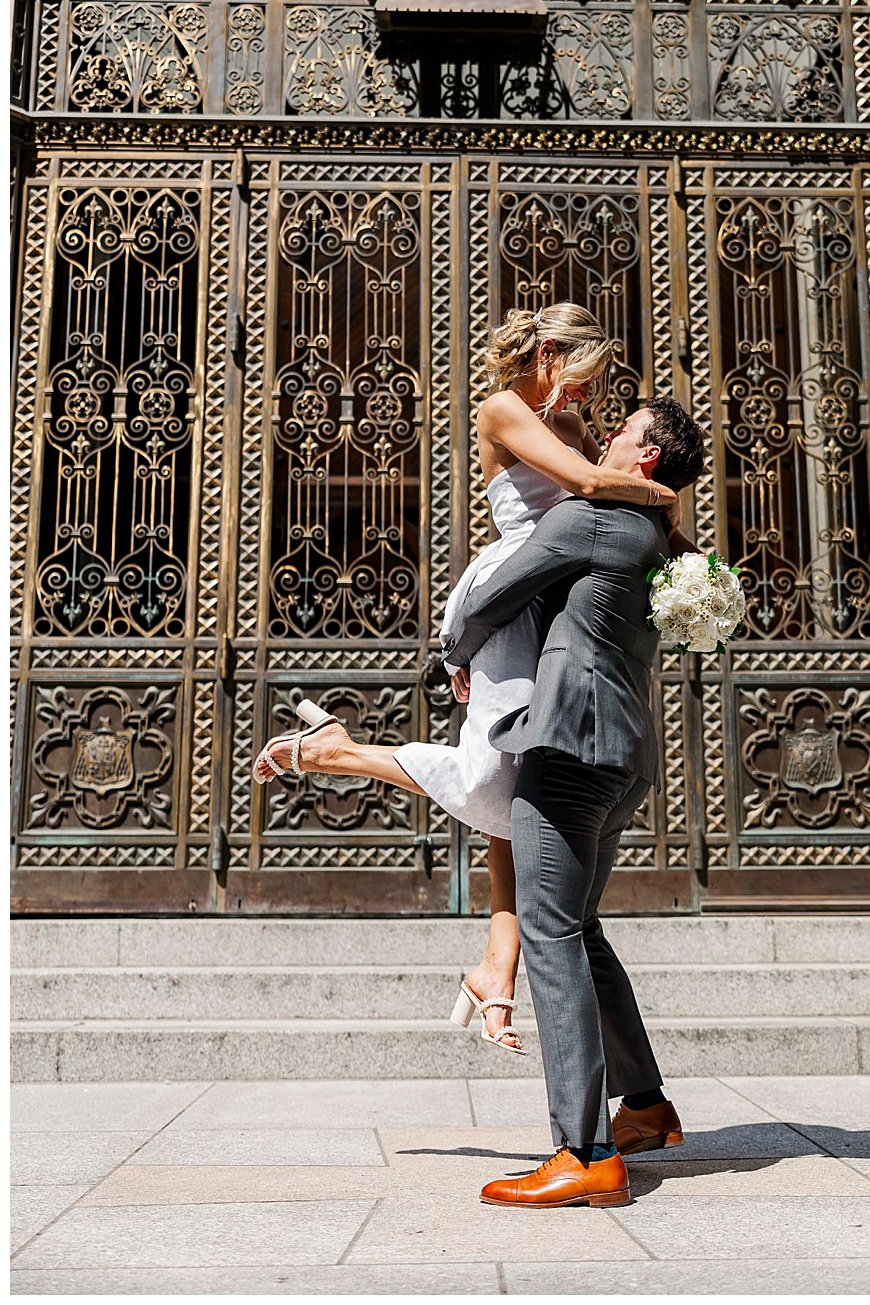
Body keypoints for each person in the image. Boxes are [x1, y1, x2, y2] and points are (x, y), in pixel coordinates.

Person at [252, 303, 680, 1054]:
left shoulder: (569, 419)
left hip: (556, 602)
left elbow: (605, 494)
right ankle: (333, 749)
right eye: (582, 379)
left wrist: (693, 564)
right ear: (549, 354)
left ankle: (495, 963)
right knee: (495, 779)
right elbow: (587, 482)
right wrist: (666, 496)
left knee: (525, 785)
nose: (585, 400)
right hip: (512, 594)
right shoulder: (504, 409)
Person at [442, 394, 705, 1208]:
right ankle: (647, 1106)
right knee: (580, 925)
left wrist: (451, 651)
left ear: (647, 456)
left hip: (568, 744)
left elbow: (497, 593)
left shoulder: (594, 519)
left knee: (548, 929)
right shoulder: (661, 540)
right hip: (625, 755)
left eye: (622, 429)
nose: (604, 440)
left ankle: (584, 1149)